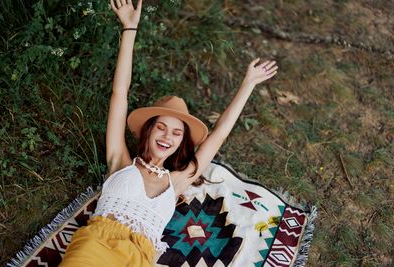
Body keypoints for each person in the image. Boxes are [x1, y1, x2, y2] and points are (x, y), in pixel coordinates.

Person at [60, 0, 278, 266]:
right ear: (148, 131)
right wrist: (130, 29)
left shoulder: (178, 181)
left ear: (181, 142)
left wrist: (248, 84)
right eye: (161, 127)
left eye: (176, 133)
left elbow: (218, 135)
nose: (167, 136)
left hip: (140, 257)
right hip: (98, 242)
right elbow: (120, 94)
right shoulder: (120, 161)